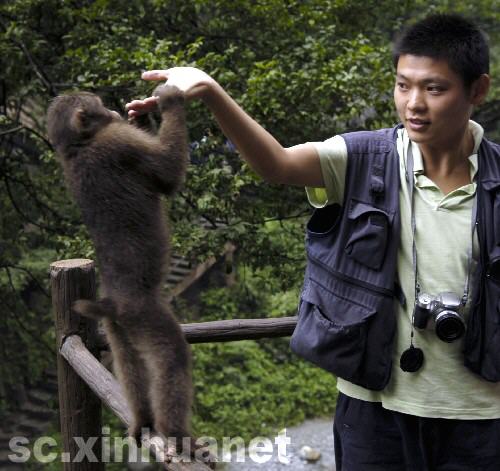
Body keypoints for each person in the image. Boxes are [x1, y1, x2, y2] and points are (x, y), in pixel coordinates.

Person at [126, 13, 500, 471]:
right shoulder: (364, 159)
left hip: (483, 416)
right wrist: (212, 92)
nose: (413, 104)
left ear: (477, 90)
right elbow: (277, 164)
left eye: (434, 88)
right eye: (403, 85)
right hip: (373, 410)